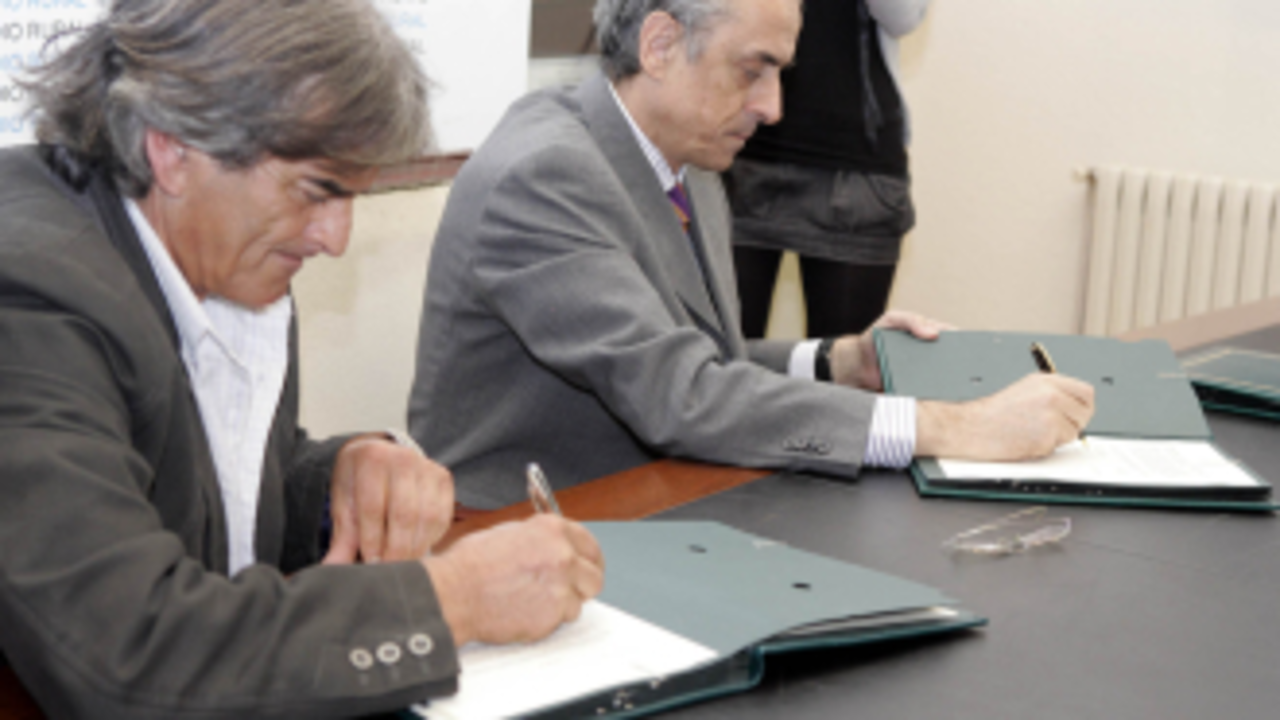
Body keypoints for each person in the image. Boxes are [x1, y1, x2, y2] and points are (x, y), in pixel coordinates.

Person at [0, 2, 602, 718]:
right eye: (318, 191)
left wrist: (332, 482)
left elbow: (185, 484)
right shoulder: (31, 296)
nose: (335, 238)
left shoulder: (216, 257)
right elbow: (128, 654)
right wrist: (450, 602)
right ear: (173, 148)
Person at [408, 0, 1094, 509]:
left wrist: (834, 361)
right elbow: (683, 396)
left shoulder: (687, 158)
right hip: (515, 526)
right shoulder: (545, 175)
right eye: (753, 71)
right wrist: (956, 428)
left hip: (642, 499)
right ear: (660, 44)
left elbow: (699, 357)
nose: (772, 108)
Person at [725, 0, 930, 338]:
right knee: (720, 366)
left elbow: (903, 18)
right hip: (736, 157)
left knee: (846, 376)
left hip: (856, 173)